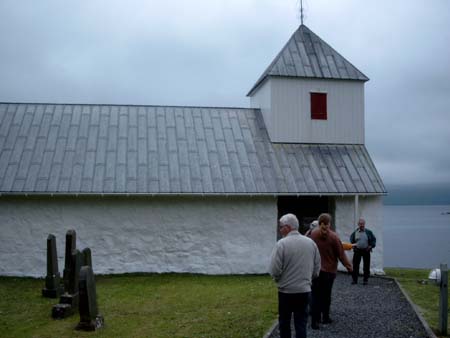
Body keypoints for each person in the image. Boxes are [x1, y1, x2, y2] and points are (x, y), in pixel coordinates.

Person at [269, 213, 321, 338]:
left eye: (281, 227)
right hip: (304, 290)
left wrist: (278, 280)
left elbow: (274, 269)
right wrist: (308, 280)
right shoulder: (311, 243)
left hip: (286, 291)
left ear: (287, 227)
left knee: (285, 323)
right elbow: (317, 268)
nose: (280, 229)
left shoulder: (281, 244)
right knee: (301, 323)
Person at [309, 213, 352, 330]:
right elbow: (341, 255)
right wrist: (349, 267)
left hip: (315, 271)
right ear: (329, 223)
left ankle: (315, 321)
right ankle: (325, 317)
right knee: (326, 296)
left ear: (319, 223)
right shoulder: (334, 237)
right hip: (329, 272)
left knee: (315, 296)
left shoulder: (313, 234)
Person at [350, 218, 376, 285]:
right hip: (357, 251)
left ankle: (365, 280)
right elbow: (351, 239)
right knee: (355, 266)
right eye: (360, 224)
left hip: (366, 250)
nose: (361, 225)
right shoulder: (355, 232)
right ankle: (354, 280)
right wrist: (354, 246)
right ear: (358, 224)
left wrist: (371, 246)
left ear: (364, 224)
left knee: (366, 266)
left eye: (363, 224)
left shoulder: (369, 232)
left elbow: (373, 240)